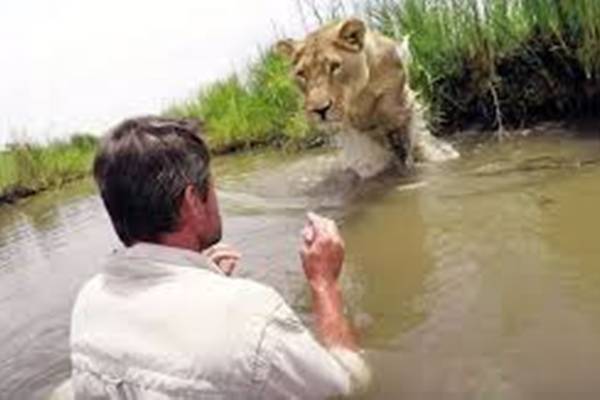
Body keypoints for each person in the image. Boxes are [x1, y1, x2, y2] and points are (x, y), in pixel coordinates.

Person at [54, 116, 369, 399]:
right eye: (212, 186)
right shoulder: (252, 315)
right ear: (193, 200)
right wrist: (323, 281)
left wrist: (205, 280)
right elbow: (347, 387)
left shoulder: (89, 300)